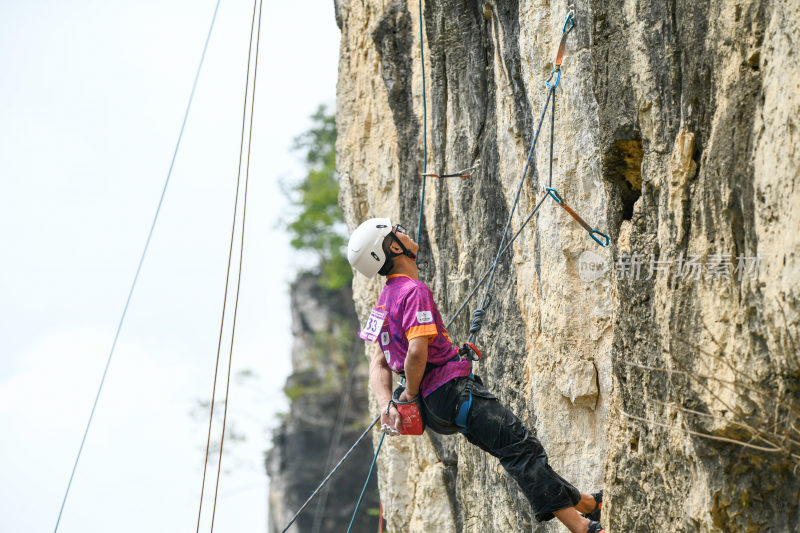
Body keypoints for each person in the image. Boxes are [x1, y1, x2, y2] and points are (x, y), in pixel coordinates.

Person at [347, 218, 605, 533]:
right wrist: (410, 392)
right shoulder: (413, 291)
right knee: (521, 449)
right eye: (396, 230)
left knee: (512, 448)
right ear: (393, 247)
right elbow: (417, 352)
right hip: (451, 391)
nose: (404, 230)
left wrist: (388, 403)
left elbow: (379, 363)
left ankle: (588, 505)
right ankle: (582, 527)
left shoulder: (382, 304)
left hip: (436, 409)